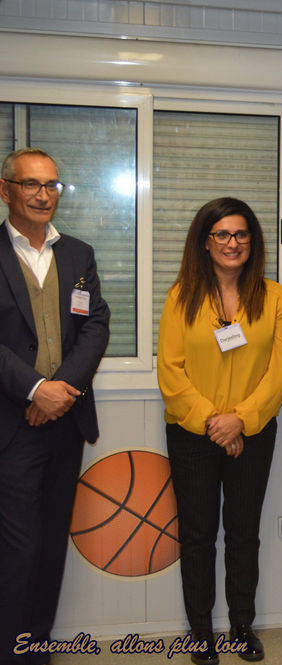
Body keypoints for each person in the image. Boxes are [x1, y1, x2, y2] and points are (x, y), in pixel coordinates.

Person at [157, 197, 282, 665]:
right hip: (192, 435)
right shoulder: (181, 297)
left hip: (252, 434)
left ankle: (241, 626)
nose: (232, 243)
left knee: (243, 533)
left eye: (241, 234)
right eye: (222, 234)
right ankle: (200, 631)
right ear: (205, 241)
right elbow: (171, 372)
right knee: (197, 536)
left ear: (252, 241)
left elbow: (280, 372)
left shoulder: (276, 298)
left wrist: (241, 420)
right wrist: (214, 422)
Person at [0, 148, 110, 665]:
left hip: (65, 421)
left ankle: (37, 649)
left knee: (50, 546)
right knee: (17, 549)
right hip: (11, 424)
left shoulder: (77, 254)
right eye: (31, 184)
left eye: (52, 185)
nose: (44, 195)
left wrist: (59, 389)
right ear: (5, 190)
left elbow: (95, 325)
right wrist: (33, 389)